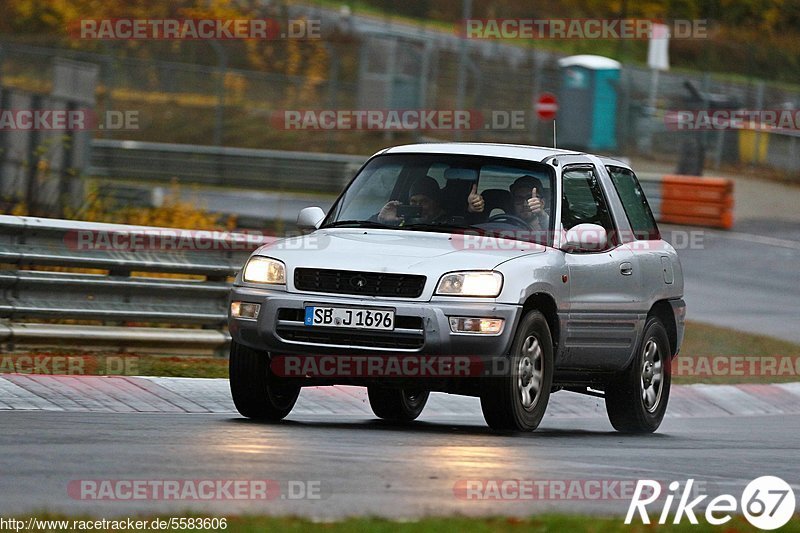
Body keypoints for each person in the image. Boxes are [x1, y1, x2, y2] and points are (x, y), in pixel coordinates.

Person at [467, 175, 550, 231]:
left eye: (530, 198)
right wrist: (471, 211)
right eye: (519, 199)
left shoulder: (551, 229)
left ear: (542, 202)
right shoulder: (501, 228)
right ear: (513, 203)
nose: (525, 204)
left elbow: (558, 238)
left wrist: (542, 214)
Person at [377, 176, 446, 225]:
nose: (418, 206)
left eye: (424, 201)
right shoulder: (402, 220)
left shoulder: (450, 223)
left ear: (436, 202)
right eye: (413, 202)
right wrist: (381, 219)